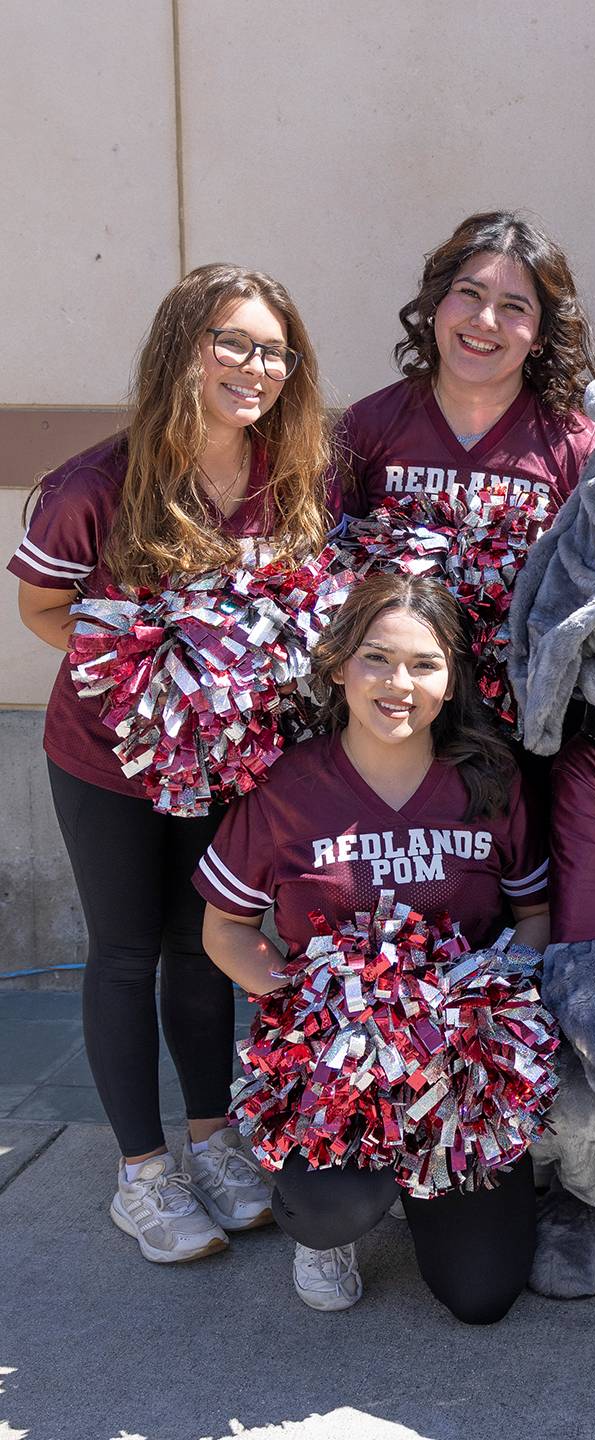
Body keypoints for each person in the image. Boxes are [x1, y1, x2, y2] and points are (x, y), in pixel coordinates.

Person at [10, 264, 336, 1264]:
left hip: (229, 763)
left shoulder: (293, 474)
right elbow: (41, 610)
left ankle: (216, 1139)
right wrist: (160, 673)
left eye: (274, 349)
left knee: (206, 943)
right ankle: (142, 1175)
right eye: (231, 342)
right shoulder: (92, 489)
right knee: (122, 950)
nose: (256, 366)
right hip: (108, 758)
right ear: (181, 350)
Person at [195, 574, 549, 1319]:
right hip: (337, 1071)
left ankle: (426, 1180)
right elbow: (224, 930)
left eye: (424, 664)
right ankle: (331, 1224)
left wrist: (488, 1011)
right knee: (333, 1204)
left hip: (459, 1070)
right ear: (337, 668)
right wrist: (314, 1015)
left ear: (452, 680)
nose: (400, 684)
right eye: (377, 659)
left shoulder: (489, 781)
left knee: (481, 1295)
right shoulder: (289, 787)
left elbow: (537, 915)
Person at [337, 210, 595, 518]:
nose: (484, 320)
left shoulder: (578, 446)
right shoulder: (366, 427)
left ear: (540, 336)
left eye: (513, 306)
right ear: (437, 302)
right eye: (469, 293)